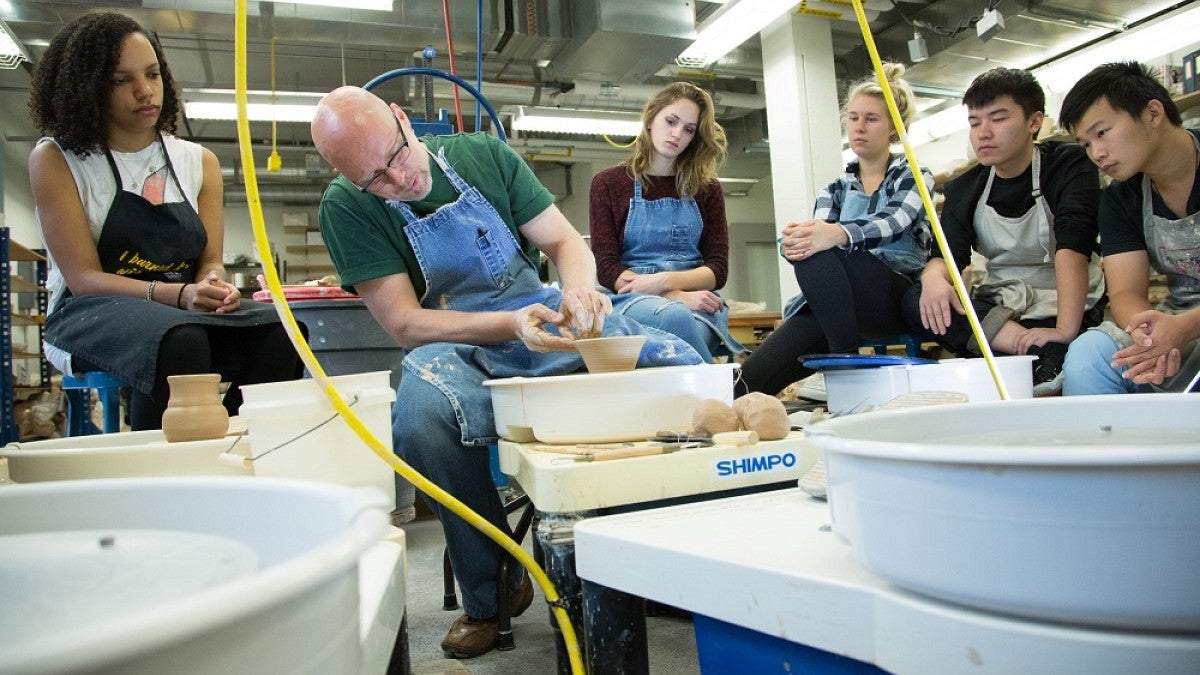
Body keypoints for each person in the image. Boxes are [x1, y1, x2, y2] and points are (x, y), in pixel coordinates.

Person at [309, 86, 700, 659]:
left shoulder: (479, 156)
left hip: (541, 314)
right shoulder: (345, 206)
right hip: (456, 340)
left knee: (675, 343)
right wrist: (509, 325)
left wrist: (579, 291)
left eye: (396, 158)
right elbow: (406, 325)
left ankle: (662, 552)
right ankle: (490, 589)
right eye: (375, 180)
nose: (397, 181)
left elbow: (566, 242)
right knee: (419, 419)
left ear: (402, 119)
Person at [28, 11, 300, 431]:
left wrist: (211, 282)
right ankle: (159, 472)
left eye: (152, 74)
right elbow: (83, 278)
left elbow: (209, 259)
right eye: (121, 80)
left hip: (183, 307)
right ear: (88, 88)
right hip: (87, 312)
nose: (144, 91)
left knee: (284, 332)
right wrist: (179, 295)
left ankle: (228, 446)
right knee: (180, 340)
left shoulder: (198, 162)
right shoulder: (58, 160)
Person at [900, 67, 1106, 393]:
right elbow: (947, 257)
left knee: (1054, 356)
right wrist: (933, 279)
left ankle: (1044, 349)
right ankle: (1034, 351)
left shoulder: (1069, 164)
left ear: (1034, 122)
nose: (983, 132)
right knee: (915, 298)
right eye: (974, 122)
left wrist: (1065, 329)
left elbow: (1073, 245)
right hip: (1003, 310)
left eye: (997, 119)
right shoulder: (965, 188)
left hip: (1066, 304)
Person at [739, 64, 933, 395]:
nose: (859, 126)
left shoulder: (912, 174)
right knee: (750, 379)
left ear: (893, 128)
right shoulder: (836, 188)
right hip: (839, 308)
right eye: (854, 117)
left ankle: (844, 367)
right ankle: (840, 356)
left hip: (891, 297)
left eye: (871, 119)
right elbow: (818, 251)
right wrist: (795, 244)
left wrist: (836, 234)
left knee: (822, 244)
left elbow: (894, 223)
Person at [1058, 62, 1200, 394]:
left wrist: (1184, 328)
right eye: (1086, 144)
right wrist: (1147, 337)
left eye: (1102, 133)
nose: (1097, 153)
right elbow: (1125, 293)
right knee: (1089, 356)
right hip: (1176, 318)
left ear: (1153, 113)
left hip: (1185, 324)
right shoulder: (1120, 198)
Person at [588, 82, 746, 362]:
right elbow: (608, 269)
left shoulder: (706, 188)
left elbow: (717, 270)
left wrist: (663, 282)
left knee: (681, 329)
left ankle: (711, 399)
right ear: (650, 119)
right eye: (671, 121)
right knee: (675, 319)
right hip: (632, 298)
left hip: (698, 301)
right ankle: (724, 397)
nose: (677, 134)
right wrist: (672, 295)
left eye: (688, 129)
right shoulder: (608, 184)